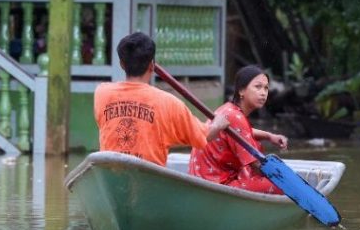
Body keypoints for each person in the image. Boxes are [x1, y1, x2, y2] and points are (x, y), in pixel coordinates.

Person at [94, 32, 227, 166]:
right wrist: (218, 124)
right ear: (152, 66)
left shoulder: (102, 93)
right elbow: (205, 135)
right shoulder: (169, 103)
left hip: (110, 170)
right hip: (149, 176)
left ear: (122, 64)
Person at [189, 65, 287, 194]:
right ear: (241, 91)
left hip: (202, 177)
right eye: (258, 87)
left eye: (266, 88)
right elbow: (257, 166)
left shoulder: (228, 109)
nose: (263, 93)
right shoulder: (235, 117)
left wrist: (269, 136)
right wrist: (282, 178)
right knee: (281, 185)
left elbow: (243, 132)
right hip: (216, 184)